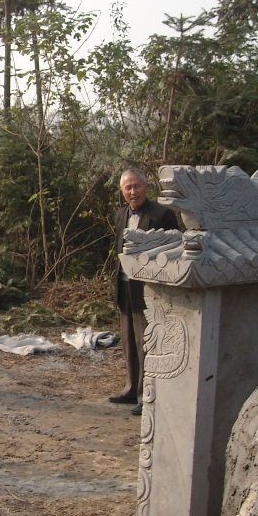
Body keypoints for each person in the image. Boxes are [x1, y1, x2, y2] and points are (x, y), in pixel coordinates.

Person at [108, 168, 179, 416]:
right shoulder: (120, 214)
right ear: (122, 191)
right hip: (125, 283)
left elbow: (172, 249)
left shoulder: (162, 215)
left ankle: (144, 395)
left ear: (146, 187)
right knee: (128, 340)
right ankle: (130, 389)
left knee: (145, 342)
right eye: (127, 188)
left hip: (148, 288)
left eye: (136, 186)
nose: (132, 191)